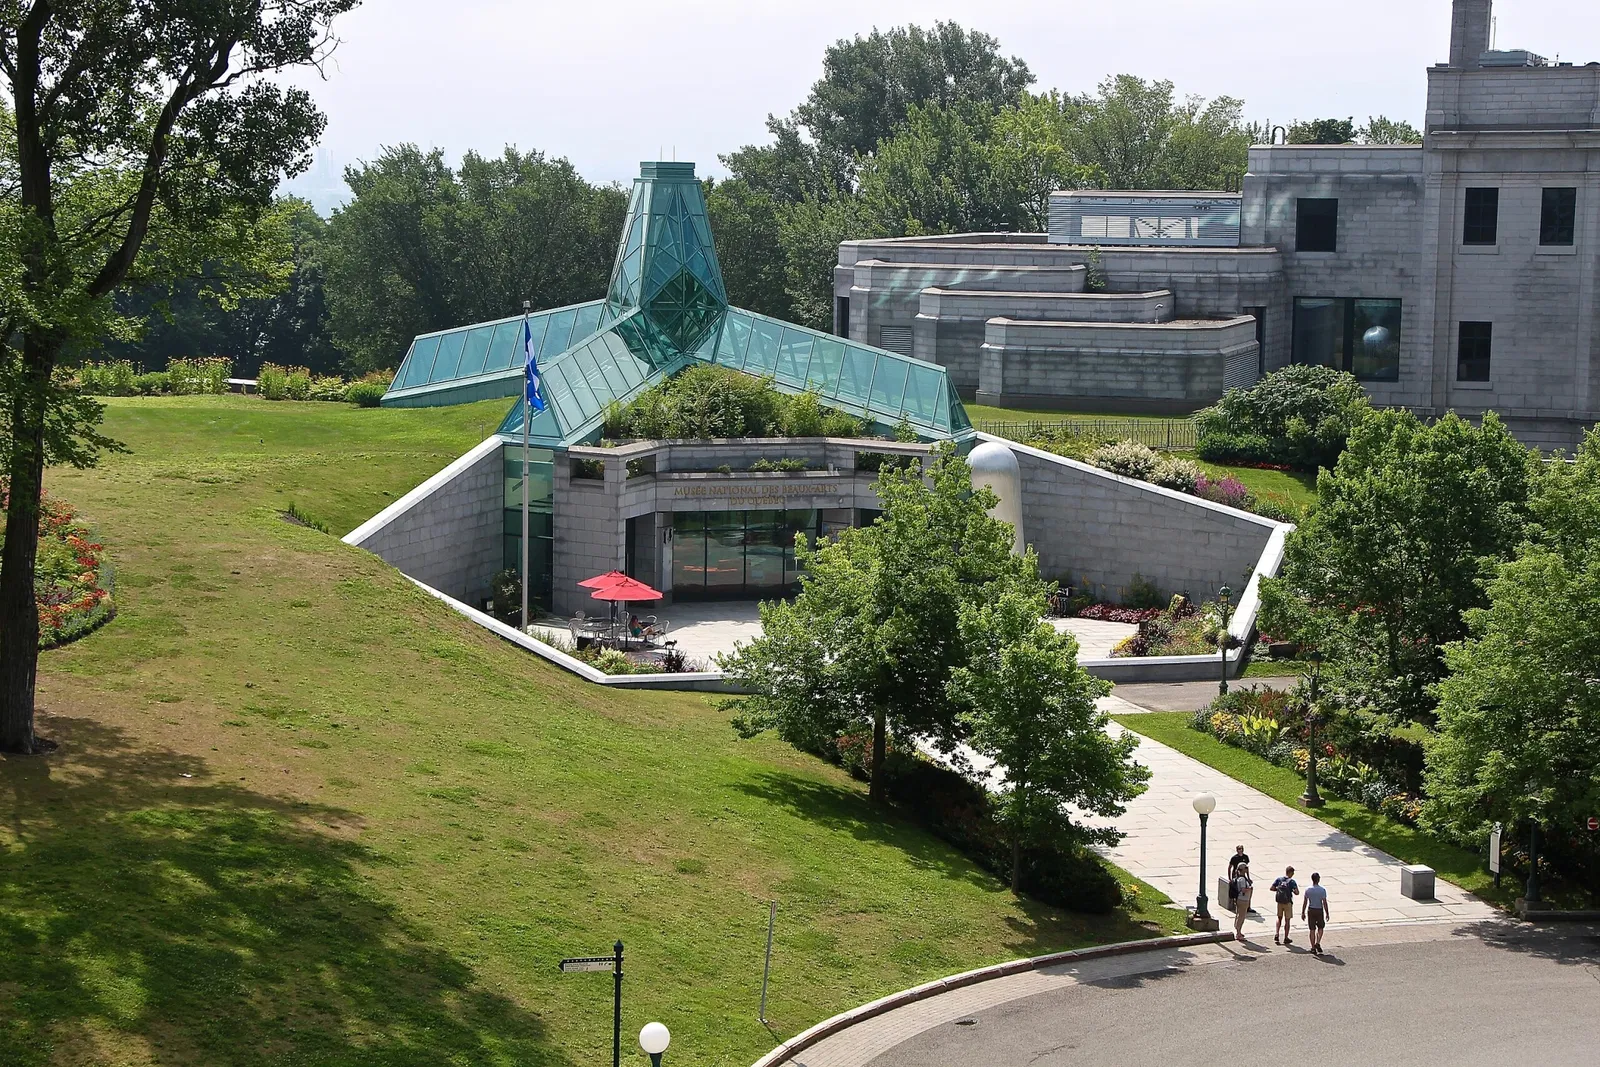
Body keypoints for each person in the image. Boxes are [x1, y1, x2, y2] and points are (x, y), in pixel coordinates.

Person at [1269, 866, 1299, 945]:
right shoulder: (1292, 881)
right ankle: (1286, 937)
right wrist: (1292, 890)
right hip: (1287, 902)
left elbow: (1271, 888)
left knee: (1279, 918)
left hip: (1279, 902)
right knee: (1287, 920)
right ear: (1291, 873)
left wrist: (1278, 889)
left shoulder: (1279, 879)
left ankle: (1277, 933)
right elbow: (1297, 892)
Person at [1303, 872, 1330, 955]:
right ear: (1318, 879)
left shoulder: (1308, 889)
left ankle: (1312, 947)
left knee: (1312, 929)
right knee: (1321, 927)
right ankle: (1318, 942)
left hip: (1311, 910)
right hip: (1319, 910)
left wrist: (1303, 912)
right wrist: (1327, 913)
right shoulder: (1322, 890)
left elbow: (1305, 902)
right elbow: (1324, 902)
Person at [1230, 863, 1253, 941]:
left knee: (1239, 915)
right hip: (1243, 900)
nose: (1247, 869)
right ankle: (1238, 933)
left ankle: (1238, 930)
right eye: (1246, 868)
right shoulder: (1242, 879)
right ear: (1243, 870)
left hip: (1240, 899)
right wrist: (1249, 889)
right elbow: (1243, 890)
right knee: (1241, 917)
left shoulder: (1240, 878)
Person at [1228, 845, 1253, 912]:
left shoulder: (1245, 857)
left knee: (1248, 888)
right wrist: (1230, 878)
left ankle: (1248, 906)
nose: (1240, 850)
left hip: (1243, 875)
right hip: (1235, 875)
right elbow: (1229, 867)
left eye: (1241, 849)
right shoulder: (1234, 858)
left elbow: (1246, 868)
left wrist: (1248, 877)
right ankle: (1235, 904)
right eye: (1239, 849)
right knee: (1237, 889)